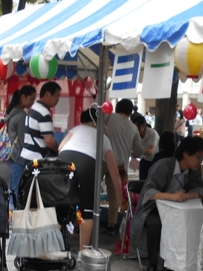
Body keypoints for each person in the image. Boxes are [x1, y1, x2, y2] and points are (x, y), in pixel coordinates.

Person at [131, 136, 203, 271]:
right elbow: (148, 192)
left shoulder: (194, 170)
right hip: (153, 208)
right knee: (156, 224)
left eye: (202, 159)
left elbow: (200, 189)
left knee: (192, 223)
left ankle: (189, 269)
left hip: (178, 210)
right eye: (199, 157)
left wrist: (187, 195)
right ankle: (152, 267)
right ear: (186, 154)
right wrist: (172, 197)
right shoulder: (164, 166)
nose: (200, 162)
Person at [59, 106, 121, 249]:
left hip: (63, 161)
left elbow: (60, 147)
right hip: (85, 165)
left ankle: (58, 247)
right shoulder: (103, 138)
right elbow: (114, 172)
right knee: (87, 211)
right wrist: (120, 197)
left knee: (60, 205)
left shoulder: (76, 129)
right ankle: (83, 252)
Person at [104, 99, 143, 235]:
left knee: (95, 190)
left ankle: (88, 218)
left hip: (103, 160)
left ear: (117, 108)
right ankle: (111, 224)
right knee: (115, 195)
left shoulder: (110, 118)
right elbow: (138, 151)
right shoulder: (133, 128)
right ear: (130, 112)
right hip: (120, 165)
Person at [4, 85, 37, 205]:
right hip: (18, 156)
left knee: (11, 185)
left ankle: (8, 210)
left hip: (10, 154)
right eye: (31, 99)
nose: (33, 102)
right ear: (23, 97)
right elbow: (24, 140)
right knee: (16, 187)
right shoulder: (22, 116)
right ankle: (13, 215)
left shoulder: (12, 112)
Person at [20, 81, 61, 161]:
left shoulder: (34, 108)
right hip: (36, 158)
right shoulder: (44, 112)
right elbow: (49, 140)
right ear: (47, 94)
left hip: (26, 154)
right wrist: (58, 149)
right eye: (57, 96)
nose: (58, 100)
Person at [131, 113, 159, 181]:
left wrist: (138, 150)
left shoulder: (152, 133)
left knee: (151, 181)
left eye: (138, 126)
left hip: (155, 161)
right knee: (140, 180)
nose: (136, 129)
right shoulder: (135, 134)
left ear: (144, 125)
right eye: (134, 126)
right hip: (144, 159)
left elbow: (151, 151)